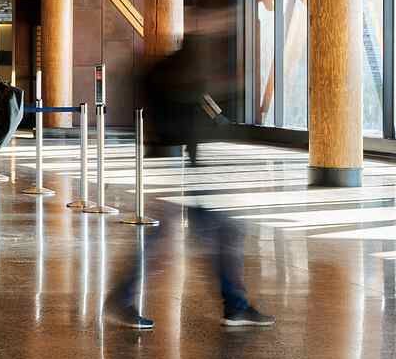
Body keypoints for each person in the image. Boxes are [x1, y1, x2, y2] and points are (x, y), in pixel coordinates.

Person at [106, 40, 274, 330]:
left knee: (214, 234)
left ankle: (235, 305)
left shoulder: (171, 73)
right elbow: (191, 119)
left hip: (182, 165)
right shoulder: (177, 75)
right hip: (175, 167)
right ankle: (122, 299)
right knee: (170, 239)